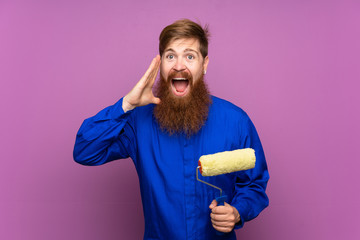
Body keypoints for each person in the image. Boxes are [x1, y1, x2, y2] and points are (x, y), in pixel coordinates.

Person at [73, 19, 269, 240]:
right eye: (170, 56)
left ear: (204, 64)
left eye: (189, 56)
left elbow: (254, 184)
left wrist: (237, 211)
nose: (178, 65)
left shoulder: (236, 122)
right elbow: (84, 150)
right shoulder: (138, 121)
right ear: (161, 65)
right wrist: (126, 104)